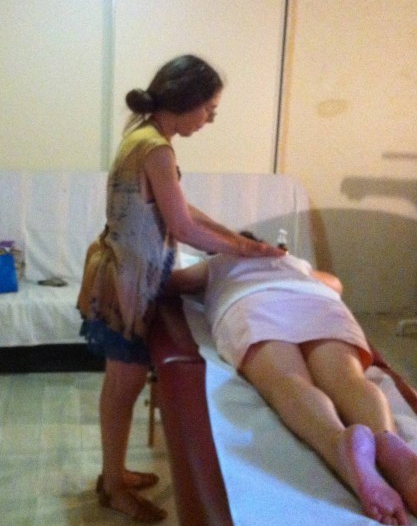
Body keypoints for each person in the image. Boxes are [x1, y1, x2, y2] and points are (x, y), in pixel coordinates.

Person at [76, 55, 285, 523]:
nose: (210, 119)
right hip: (126, 285)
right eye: (209, 108)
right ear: (187, 101)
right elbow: (184, 227)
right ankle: (114, 487)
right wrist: (242, 249)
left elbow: (182, 211)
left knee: (120, 385)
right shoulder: (156, 149)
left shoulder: (145, 135)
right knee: (123, 387)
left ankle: (114, 473)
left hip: (125, 275)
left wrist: (239, 241)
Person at [165, 245, 417, 526]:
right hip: (316, 299)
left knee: (288, 381)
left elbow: (169, 282)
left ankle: (337, 445)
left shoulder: (219, 262)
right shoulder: (292, 262)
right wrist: (287, 261)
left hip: (252, 301)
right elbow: (335, 285)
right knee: (348, 379)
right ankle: (385, 438)